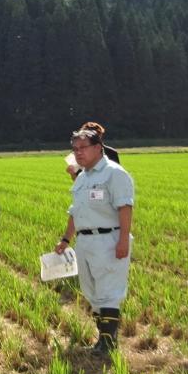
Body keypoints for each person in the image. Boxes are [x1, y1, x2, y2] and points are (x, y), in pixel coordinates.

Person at [55, 126, 135, 357]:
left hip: (108, 239)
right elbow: (75, 211)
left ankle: (108, 344)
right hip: (85, 241)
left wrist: (122, 241)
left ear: (99, 148)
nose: (78, 153)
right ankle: (103, 339)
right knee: (91, 291)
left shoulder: (114, 174)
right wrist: (65, 239)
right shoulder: (83, 178)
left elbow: (125, 208)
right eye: (75, 149)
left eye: (83, 148)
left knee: (109, 290)